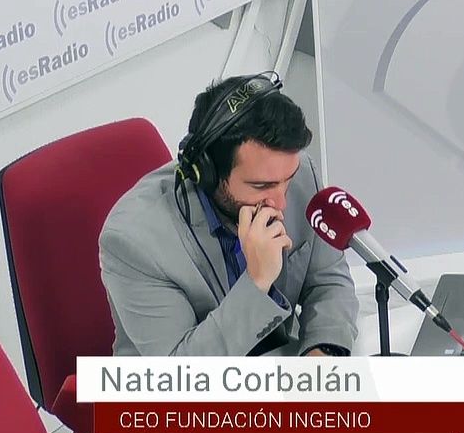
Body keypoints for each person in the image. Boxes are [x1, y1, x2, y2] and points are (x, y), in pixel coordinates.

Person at [99, 73, 359, 356]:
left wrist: (322, 352)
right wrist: (257, 281)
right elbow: (179, 372)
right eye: (262, 186)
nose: (281, 202)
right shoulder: (133, 242)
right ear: (208, 173)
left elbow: (328, 280)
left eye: (288, 179)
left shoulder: (295, 171)